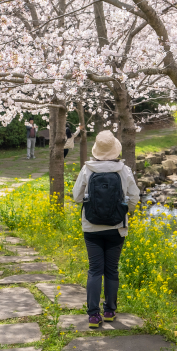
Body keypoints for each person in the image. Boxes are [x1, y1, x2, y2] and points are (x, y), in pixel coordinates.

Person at [73, 130, 140, 329]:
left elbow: (77, 197)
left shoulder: (87, 170)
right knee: (111, 269)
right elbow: (134, 197)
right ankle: (110, 311)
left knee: (95, 270)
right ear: (115, 149)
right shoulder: (124, 170)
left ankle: (93, 315)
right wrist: (124, 211)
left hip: (91, 228)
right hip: (117, 228)